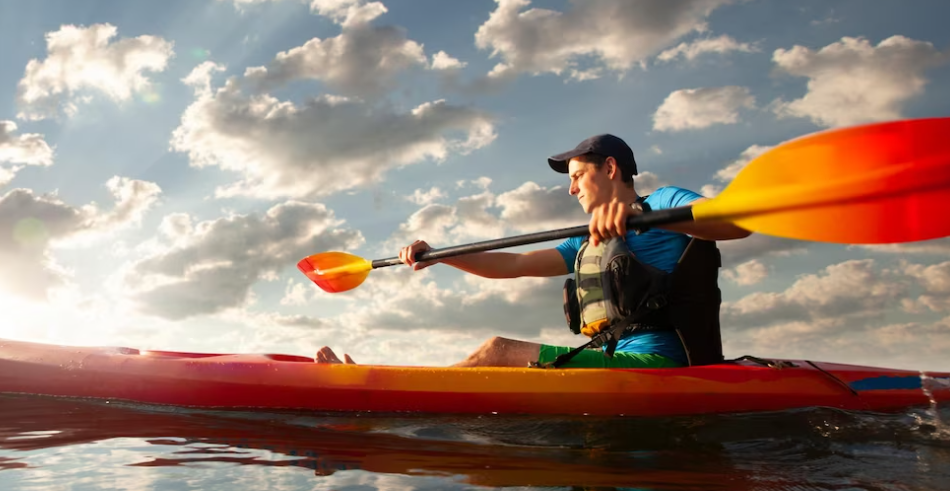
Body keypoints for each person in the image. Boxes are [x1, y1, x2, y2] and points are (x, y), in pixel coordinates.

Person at [316, 134, 751, 368]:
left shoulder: (664, 203)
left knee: (497, 351)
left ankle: (383, 392)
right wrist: (443, 255)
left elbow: (736, 223)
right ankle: (388, 381)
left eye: (578, 175)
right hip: (610, 358)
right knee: (497, 352)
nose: (571, 187)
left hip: (661, 364)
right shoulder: (589, 239)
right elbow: (514, 264)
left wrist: (635, 216)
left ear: (611, 169)